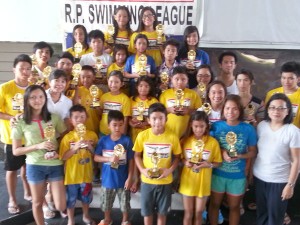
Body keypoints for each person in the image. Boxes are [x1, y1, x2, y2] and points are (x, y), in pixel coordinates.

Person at [12, 85, 67, 225]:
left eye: (41, 96)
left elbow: (65, 136)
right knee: (37, 203)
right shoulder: (20, 121)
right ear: (27, 100)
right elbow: (16, 150)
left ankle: (49, 195)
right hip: (35, 165)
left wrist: (58, 151)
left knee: (61, 206)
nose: (38, 100)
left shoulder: (54, 118)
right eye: (33, 97)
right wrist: (38, 146)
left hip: (55, 164)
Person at [209, 94, 257, 225]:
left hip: (238, 176)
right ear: (223, 110)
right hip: (217, 174)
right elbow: (209, 147)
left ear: (240, 110)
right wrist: (223, 151)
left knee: (234, 207)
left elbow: (253, 152)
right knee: (214, 204)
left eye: (235, 108)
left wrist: (240, 156)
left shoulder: (248, 129)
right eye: (228, 108)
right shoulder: (216, 126)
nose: (231, 112)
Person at [253, 93, 300, 225]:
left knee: (275, 219)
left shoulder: (293, 131)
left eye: (281, 108)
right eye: (272, 107)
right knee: (261, 215)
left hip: (279, 182)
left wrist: (290, 185)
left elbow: (297, 161)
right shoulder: (262, 126)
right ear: (267, 110)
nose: (276, 111)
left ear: (288, 111)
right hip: (260, 178)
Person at [133, 102, 182, 225]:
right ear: (148, 120)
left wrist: (169, 171)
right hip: (147, 181)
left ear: (166, 119)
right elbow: (137, 155)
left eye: (161, 118)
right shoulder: (142, 136)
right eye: (154, 118)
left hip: (165, 182)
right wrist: (143, 170)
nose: (158, 122)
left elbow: (177, 158)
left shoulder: (172, 137)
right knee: (147, 213)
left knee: (162, 213)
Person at [0, 54, 32, 214]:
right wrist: (11, 117)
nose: (25, 72)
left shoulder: (34, 87)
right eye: (21, 68)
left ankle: (28, 192)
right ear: (14, 70)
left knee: (27, 167)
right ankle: (12, 199)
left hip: (32, 136)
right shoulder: (5, 88)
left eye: (28, 69)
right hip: (12, 137)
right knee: (12, 169)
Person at [179, 111, 222, 225]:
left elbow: (218, 162)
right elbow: (181, 158)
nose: (198, 129)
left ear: (206, 125)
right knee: (188, 213)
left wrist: (209, 165)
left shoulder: (213, 143)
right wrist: (185, 162)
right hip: (188, 181)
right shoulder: (185, 141)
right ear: (191, 126)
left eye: (202, 126)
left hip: (203, 183)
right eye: (196, 126)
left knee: (199, 212)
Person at [60, 104, 98, 225]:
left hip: (86, 174)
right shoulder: (67, 138)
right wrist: (74, 148)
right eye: (76, 117)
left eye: (82, 116)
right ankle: (70, 220)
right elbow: (63, 157)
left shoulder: (92, 135)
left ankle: (86, 216)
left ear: (86, 118)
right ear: (71, 120)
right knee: (70, 200)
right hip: (71, 176)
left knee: (86, 198)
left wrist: (90, 146)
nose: (79, 120)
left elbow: (96, 155)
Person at [94, 110, 134, 225]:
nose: (117, 128)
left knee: (125, 203)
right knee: (106, 203)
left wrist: (130, 177)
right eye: (114, 125)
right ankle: (107, 219)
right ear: (108, 125)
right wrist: (109, 159)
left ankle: (125, 220)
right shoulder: (103, 140)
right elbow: (96, 158)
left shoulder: (127, 140)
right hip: (107, 179)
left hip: (123, 179)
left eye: (120, 125)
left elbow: (131, 160)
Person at [159, 66, 201, 138]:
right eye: (177, 79)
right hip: (168, 133)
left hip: (187, 133)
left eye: (183, 79)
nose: (180, 82)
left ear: (187, 80)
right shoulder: (165, 94)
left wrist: (189, 111)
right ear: (171, 79)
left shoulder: (193, 94)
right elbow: (158, 112)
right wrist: (169, 110)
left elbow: (200, 112)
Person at [265, 61, 300, 128]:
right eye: (283, 78)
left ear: (298, 79)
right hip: (274, 133)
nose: (286, 81)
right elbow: (267, 117)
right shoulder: (271, 94)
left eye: (290, 78)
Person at [73, 65, 102, 134]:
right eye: (83, 77)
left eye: (88, 77)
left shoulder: (99, 92)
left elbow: (100, 113)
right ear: (79, 77)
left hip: (93, 127)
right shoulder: (77, 90)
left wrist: (96, 106)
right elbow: (74, 106)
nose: (85, 79)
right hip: (79, 128)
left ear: (94, 77)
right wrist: (76, 90)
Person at [99, 71, 131, 136]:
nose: (113, 84)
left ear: (121, 84)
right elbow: (100, 114)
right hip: (103, 131)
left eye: (116, 82)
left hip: (118, 133)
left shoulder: (125, 99)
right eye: (111, 81)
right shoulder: (103, 97)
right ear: (107, 81)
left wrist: (123, 136)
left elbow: (125, 119)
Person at [129, 76, 158, 142]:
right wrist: (131, 123)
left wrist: (145, 123)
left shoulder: (154, 101)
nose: (143, 88)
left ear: (150, 88)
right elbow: (128, 117)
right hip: (134, 134)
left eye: (146, 86)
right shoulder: (131, 100)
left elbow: (156, 119)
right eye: (141, 86)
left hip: (149, 135)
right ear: (137, 87)